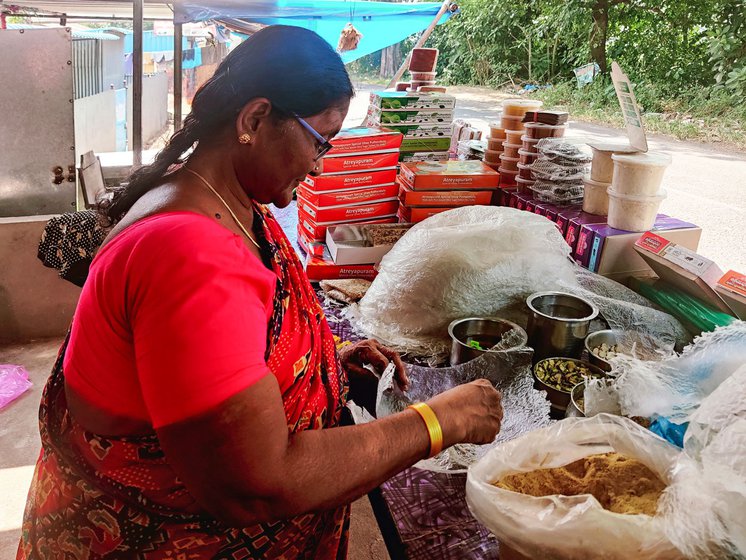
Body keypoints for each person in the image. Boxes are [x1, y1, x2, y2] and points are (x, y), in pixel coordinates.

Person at [18, 26, 503, 559]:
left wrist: (325, 368)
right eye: (319, 140)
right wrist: (439, 421)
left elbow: (212, 363)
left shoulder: (222, 199)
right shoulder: (187, 255)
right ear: (254, 120)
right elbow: (256, 484)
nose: (319, 164)